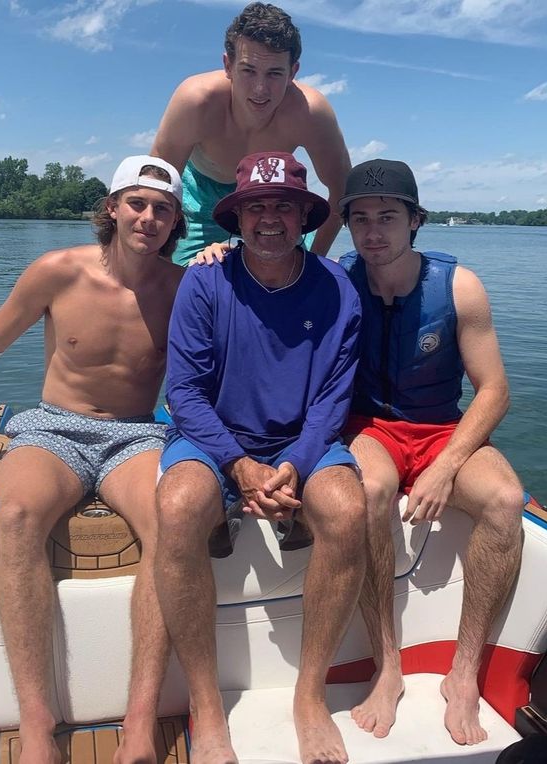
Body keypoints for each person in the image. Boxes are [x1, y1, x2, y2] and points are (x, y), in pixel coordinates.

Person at [0, 156, 186, 764]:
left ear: (176, 220)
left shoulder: (184, 288)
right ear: (112, 208)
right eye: (137, 203)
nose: (149, 218)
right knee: (20, 513)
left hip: (136, 433)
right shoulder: (57, 271)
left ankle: (140, 718)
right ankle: (36, 720)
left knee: (169, 520)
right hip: (55, 426)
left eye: (163, 209)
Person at [154, 151, 366, 764]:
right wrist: (238, 465)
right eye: (256, 206)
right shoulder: (205, 280)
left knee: (348, 512)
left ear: (304, 215)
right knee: (177, 505)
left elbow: (332, 397)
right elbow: (184, 393)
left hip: (302, 440)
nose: (269, 218)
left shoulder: (336, 288)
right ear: (237, 216)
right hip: (214, 433)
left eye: (282, 206)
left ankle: (309, 695)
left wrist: (295, 462)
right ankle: (206, 703)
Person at [338, 159, 524, 746]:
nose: (373, 232)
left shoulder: (457, 285)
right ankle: (387, 664)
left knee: (504, 500)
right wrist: (214, 255)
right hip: (371, 427)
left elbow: (494, 390)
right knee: (367, 492)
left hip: (443, 427)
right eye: (360, 219)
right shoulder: (337, 281)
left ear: (415, 220)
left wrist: (445, 466)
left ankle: (464, 673)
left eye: (388, 217)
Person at [151, 1, 351, 265]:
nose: (260, 89)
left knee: (285, 284)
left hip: (273, 204)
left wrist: (313, 259)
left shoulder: (310, 113)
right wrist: (156, 265)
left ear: (293, 72)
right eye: (248, 70)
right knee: (185, 281)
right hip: (198, 201)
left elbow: (344, 193)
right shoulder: (196, 101)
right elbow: (155, 187)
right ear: (228, 65)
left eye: (274, 73)